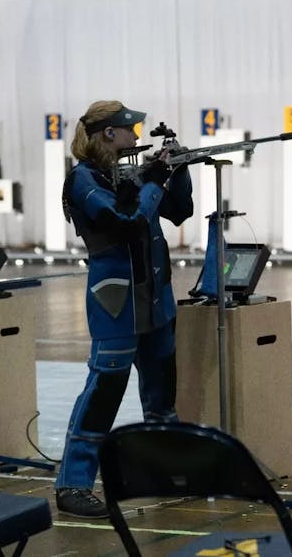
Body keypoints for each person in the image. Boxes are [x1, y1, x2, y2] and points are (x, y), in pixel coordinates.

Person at [55, 100, 193, 518]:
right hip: (116, 304)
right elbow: (125, 221)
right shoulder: (82, 179)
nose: (136, 135)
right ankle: (73, 484)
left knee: (162, 396)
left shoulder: (126, 170)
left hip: (156, 301)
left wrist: (178, 169)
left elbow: (179, 211)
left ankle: (162, 469)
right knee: (103, 394)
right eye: (129, 128)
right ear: (107, 134)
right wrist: (154, 179)